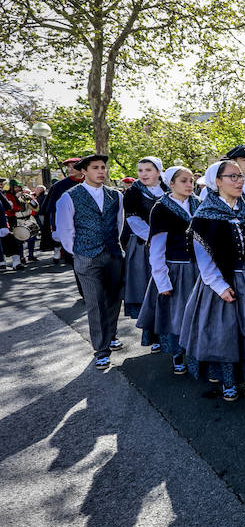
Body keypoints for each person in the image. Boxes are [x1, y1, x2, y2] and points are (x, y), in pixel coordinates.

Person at [180, 160, 245, 402]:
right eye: (232, 177)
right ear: (217, 182)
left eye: (240, 177)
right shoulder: (205, 215)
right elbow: (203, 258)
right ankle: (229, 381)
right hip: (220, 282)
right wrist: (220, 286)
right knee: (226, 335)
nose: (239, 181)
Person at [55, 155, 125, 369]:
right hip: (86, 257)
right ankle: (101, 350)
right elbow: (65, 230)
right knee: (95, 303)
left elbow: (119, 223)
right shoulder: (69, 197)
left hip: (113, 253)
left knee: (114, 299)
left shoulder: (116, 195)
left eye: (103, 167)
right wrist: (79, 253)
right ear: (84, 171)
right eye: (96, 168)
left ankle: (111, 335)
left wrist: (113, 244)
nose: (101, 171)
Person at [136, 167, 201, 375]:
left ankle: (199, 354)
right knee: (178, 315)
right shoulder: (162, 208)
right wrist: (162, 281)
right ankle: (177, 354)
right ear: (171, 184)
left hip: (200, 269)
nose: (189, 184)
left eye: (191, 180)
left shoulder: (198, 203)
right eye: (184, 181)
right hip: (177, 268)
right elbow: (156, 249)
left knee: (199, 313)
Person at [123, 157, 167, 327]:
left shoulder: (168, 189)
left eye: (148, 170)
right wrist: (156, 238)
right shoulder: (133, 192)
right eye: (140, 170)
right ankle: (152, 334)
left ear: (158, 171)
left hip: (171, 244)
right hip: (145, 244)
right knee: (148, 287)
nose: (143, 174)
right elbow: (133, 221)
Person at [45, 157, 85, 268]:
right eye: (68, 166)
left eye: (74, 165)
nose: (70, 169)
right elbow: (53, 209)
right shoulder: (59, 186)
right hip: (70, 229)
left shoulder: (91, 182)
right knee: (75, 264)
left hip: (89, 229)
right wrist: (55, 228)